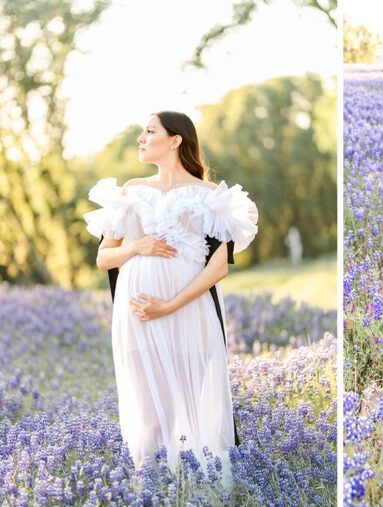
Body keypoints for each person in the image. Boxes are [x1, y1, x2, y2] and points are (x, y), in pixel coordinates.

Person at [84, 111, 257, 481]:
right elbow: (103, 258)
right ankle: (150, 487)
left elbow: (218, 268)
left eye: (150, 131)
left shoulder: (211, 195)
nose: (141, 139)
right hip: (138, 314)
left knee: (188, 409)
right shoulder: (130, 191)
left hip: (188, 312)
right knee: (149, 415)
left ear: (175, 140)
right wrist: (138, 246)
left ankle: (193, 489)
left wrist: (169, 305)